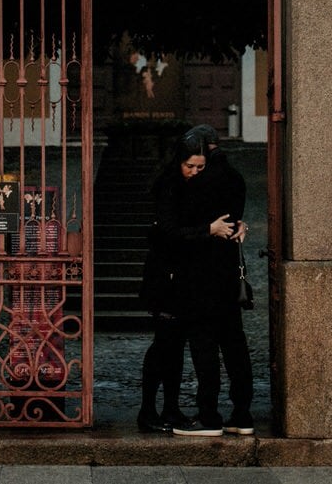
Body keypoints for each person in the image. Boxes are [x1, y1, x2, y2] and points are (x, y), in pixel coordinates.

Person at [136, 136, 235, 437]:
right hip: (164, 279)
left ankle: (170, 408)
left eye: (200, 166)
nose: (195, 171)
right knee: (163, 347)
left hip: (183, 281)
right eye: (190, 166)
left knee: (175, 347)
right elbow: (169, 233)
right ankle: (148, 411)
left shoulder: (193, 187)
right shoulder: (168, 186)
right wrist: (209, 230)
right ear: (179, 163)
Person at [178, 124, 255, 436]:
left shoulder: (197, 182)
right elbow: (235, 219)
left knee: (204, 344)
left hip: (200, 273)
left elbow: (184, 227)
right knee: (235, 343)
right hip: (227, 271)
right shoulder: (236, 178)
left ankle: (209, 414)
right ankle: (242, 414)